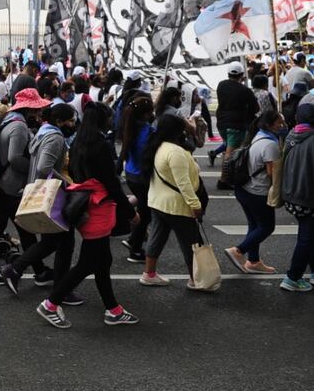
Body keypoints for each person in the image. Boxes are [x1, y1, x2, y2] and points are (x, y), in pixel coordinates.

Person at [37, 103, 139, 329]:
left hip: (85, 205)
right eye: (109, 118)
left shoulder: (78, 143)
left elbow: (74, 174)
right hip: (100, 207)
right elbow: (112, 183)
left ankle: (113, 309)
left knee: (103, 261)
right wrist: (130, 212)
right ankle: (51, 304)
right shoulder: (100, 145)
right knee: (88, 263)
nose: (112, 121)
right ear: (103, 121)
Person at [0, 103, 78, 300]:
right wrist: (67, 184)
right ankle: (60, 291)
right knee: (65, 244)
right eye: (70, 121)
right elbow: (44, 167)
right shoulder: (55, 137)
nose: (73, 124)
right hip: (51, 196)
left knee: (51, 242)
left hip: (40, 192)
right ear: (59, 121)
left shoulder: (44, 131)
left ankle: (14, 270)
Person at [0, 88, 50, 285]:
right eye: (36, 109)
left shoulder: (8, 120)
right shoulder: (19, 127)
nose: (38, 113)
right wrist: (33, 168)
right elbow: (15, 158)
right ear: (29, 109)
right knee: (23, 229)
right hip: (9, 186)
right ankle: (38, 272)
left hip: (0, 185)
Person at [139, 114, 208, 290]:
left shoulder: (158, 146)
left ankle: (149, 273)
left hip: (158, 202)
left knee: (157, 237)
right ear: (177, 131)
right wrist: (195, 205)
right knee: (191, 243)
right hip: (177, 205)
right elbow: (183, 183)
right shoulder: (175, 152)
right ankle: (195, 279)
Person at [225, 110, 281, 275]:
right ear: (269, 125)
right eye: (279, 122)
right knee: (267, 227)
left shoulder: (257, 136)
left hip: (244, 189)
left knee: (255, 225)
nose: (282, 125)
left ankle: (254, 261)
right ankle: (239, 251)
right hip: (258, 192)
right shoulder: (270, 144)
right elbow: (272, 173)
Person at [279, 103, 314, 291]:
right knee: (306, 238)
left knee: (309, 235)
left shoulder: (293, 135)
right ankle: (292, 278)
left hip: (291, 194)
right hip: (307, 197)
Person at [118, 93, 154, 263]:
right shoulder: (147, 132)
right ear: (146, 114)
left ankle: (133, 239)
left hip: (131, 173)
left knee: (143, 209)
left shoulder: (130, 126)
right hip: (142, 176)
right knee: (146, 215)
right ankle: (136, 250)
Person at [215, 62, 260, 184]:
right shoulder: (245, 90)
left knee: (229, 150)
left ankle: (227, 177)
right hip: (236, 124)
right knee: (230, 153)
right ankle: (224, 180)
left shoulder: (221, 85)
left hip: (221, 122)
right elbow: (255, 108)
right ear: (242, 75)